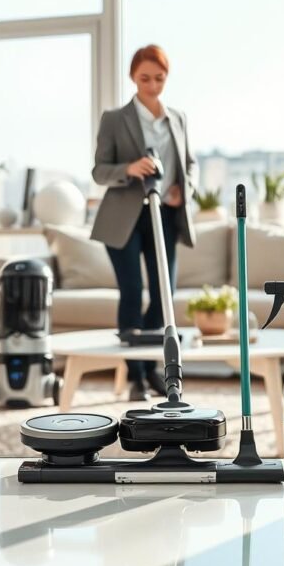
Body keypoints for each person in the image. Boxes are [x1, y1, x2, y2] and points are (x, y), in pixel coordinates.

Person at [91, 44, 197, 401]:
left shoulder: (178, 118)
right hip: (124, 218)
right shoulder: (114, 119)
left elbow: (190, 163)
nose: (152, 86)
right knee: (132, 292)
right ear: (132, 78)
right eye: (144, 78)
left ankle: (155, 368)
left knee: (165, 293)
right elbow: (99, 171)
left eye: (159, 78)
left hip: (164, 215)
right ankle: (135, 375)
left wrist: (185, 189)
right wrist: (129, 169)